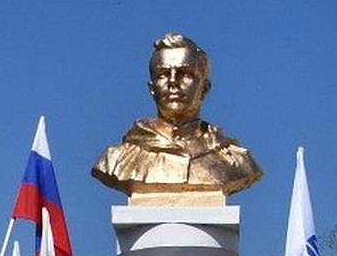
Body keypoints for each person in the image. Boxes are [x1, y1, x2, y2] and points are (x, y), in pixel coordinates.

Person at [91, 32, 262, 199]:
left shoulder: (236, 160)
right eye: (163, 74)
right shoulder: (117, 159)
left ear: (205, 88)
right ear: (152, 89)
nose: (173, 82)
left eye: (185, 74)